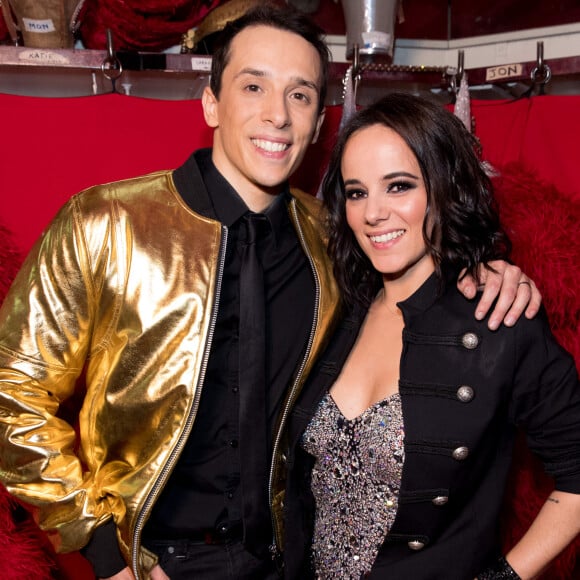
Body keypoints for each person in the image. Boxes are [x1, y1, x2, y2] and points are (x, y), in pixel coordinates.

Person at [0, 6, 540, 580]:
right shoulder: (104, 224)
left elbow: (413, 264)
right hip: (148, 561)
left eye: (300, 95)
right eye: (253, 86)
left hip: (288, 563)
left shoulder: (337, 241)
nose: (276, 116)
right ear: (211, 102)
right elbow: (11, 390)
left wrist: (486, 271)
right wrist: (107, 552)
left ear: (319, 118)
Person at [282, 93, 580, 580]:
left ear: (443, 188)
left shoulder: (498, 317)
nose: (373, 213)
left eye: (398, 186)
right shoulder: (333, 308)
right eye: (356, 192)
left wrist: (504, 577)